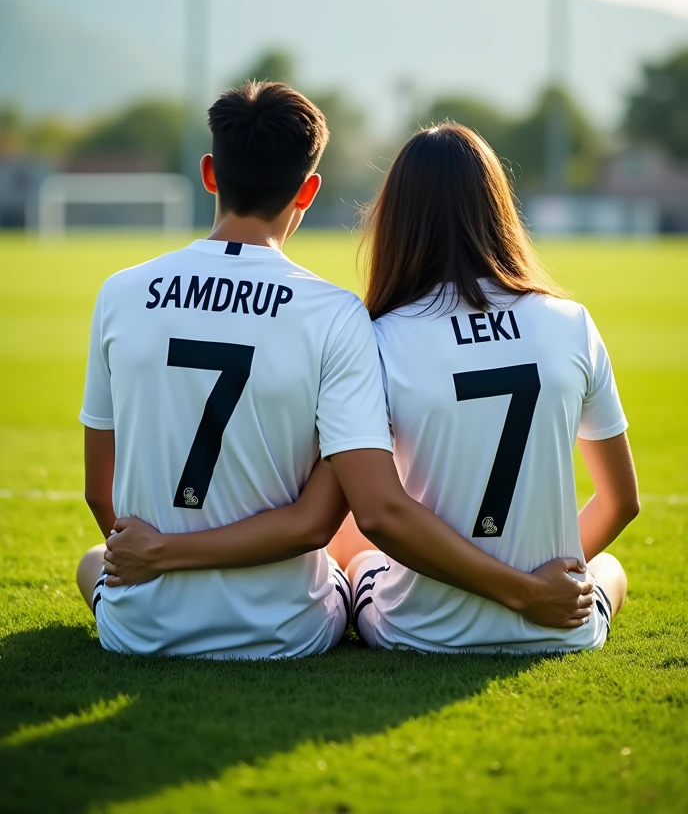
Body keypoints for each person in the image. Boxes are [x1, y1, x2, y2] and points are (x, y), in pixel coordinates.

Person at [77, 84, 593, 659]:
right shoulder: (333, 313)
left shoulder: (120, 294)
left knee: (91, 562)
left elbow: (100, 490)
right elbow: (315, 524)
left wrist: (155, 555)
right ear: (308, 189)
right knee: (351, 567)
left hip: (142, 628)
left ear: (209, 173)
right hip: (286, 631)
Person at [339, 123, 639, 652]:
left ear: (397, 218)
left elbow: (380, 516)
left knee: (351, 541)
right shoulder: (570, 322)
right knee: (609, 567)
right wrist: (546, 589)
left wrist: (517, 593)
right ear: (498, 207)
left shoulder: (380, 338)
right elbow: (620, 502)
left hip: (422, 630)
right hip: (557, 630)